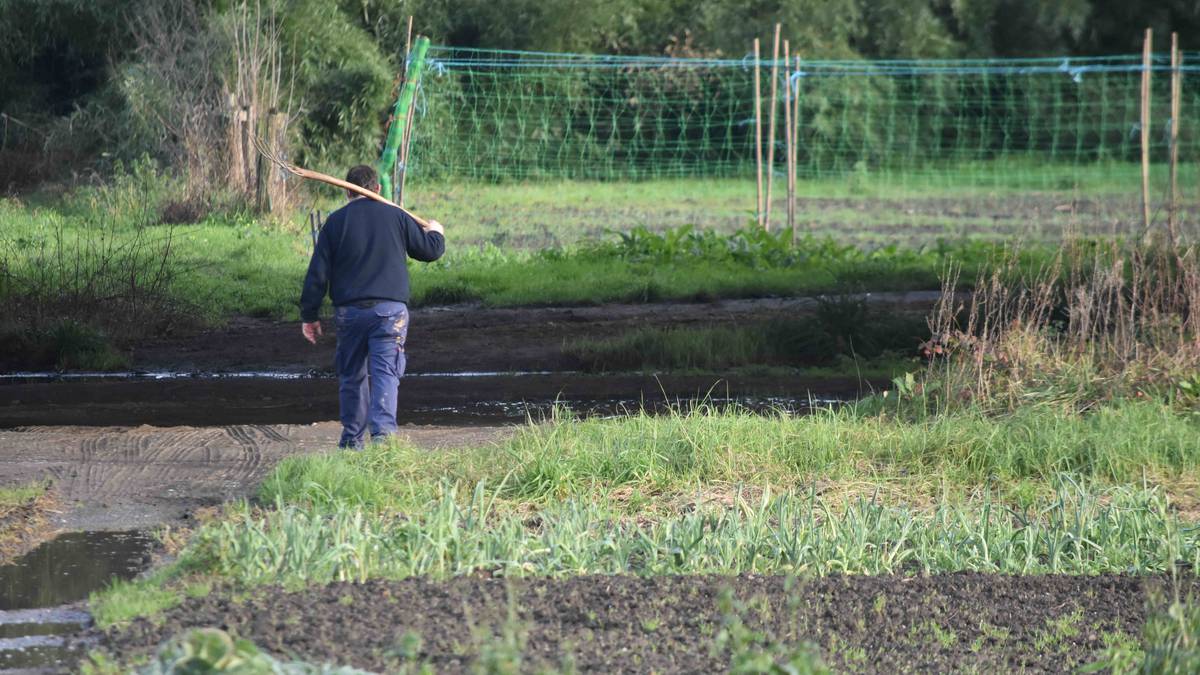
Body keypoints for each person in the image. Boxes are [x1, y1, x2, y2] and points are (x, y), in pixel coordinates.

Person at [299, 165, 445, 449]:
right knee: (385, 374)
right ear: (378, 189)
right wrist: (436, 232)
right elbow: (430, 251)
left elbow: (317, 273)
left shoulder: (335, 222)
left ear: (347, 191)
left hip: (349, 314)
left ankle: (352, 443)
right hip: (390, 315)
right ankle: (383, 440)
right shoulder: (397, 216)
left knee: (352, 376)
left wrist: (309, 315)